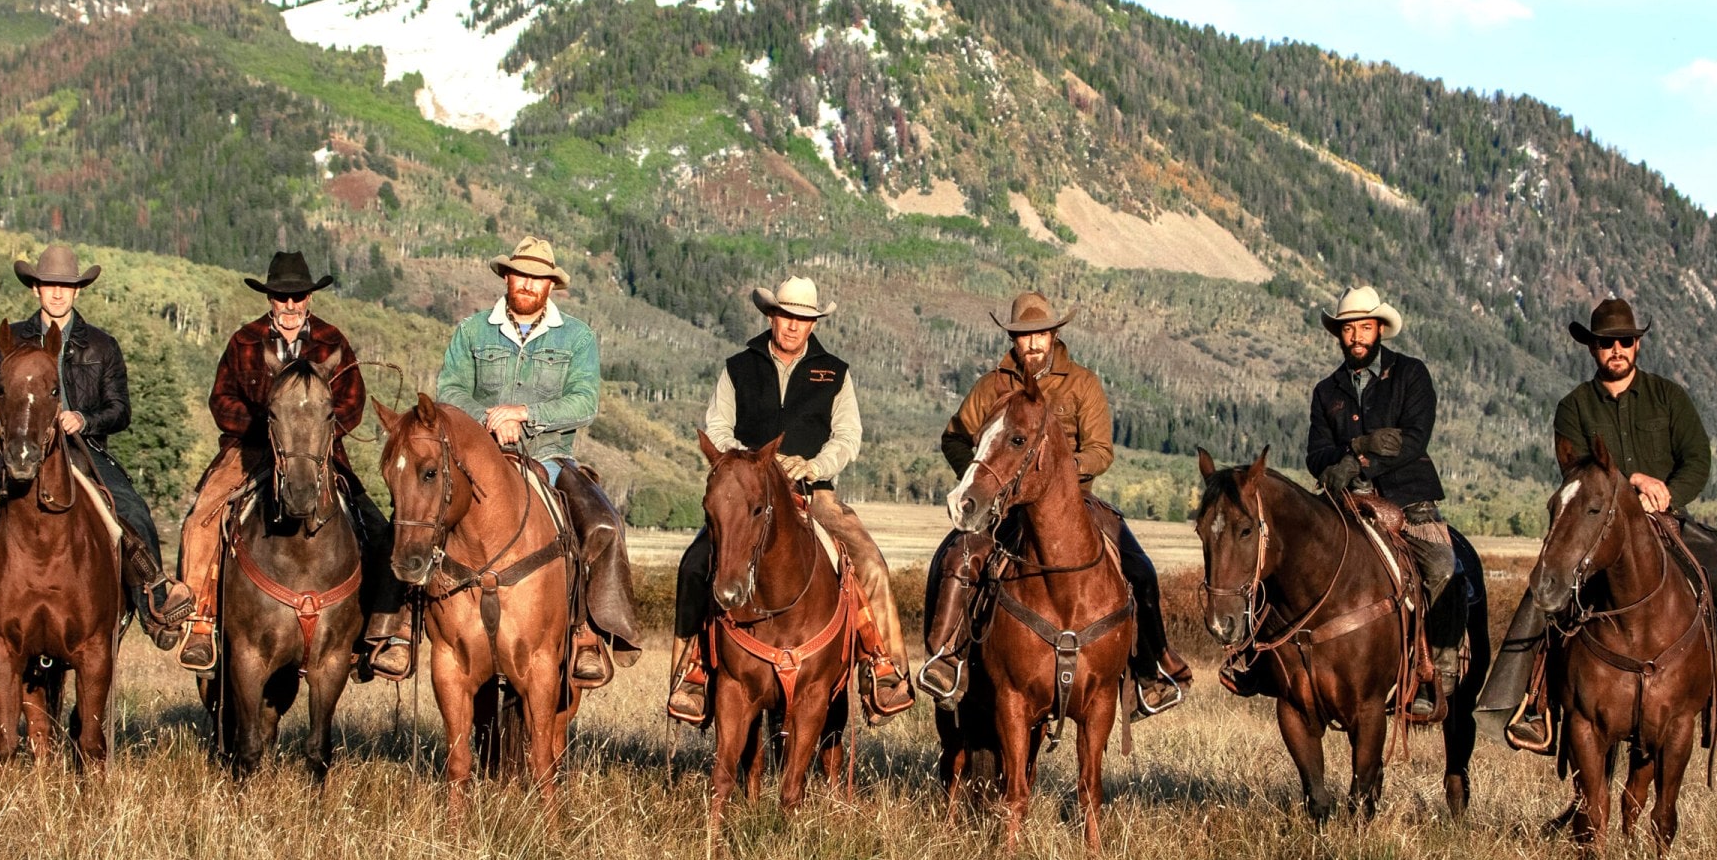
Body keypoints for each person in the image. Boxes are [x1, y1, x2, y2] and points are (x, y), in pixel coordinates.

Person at [1478, 297, 1717, 748]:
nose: (1615, 349)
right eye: (1605, 343)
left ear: (1636, 345)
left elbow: (1697, 459)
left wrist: (1667, 491)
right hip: (1599, 522)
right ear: (1592, 348)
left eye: (1624, 341)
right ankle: (1531, 704)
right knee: (1545, 587)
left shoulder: (1669, 397)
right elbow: (1576, 472)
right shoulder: (1573, 406)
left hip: (1667, 518)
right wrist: (1628, 486)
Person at [920, 290, 1192, 715]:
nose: (1033, 343)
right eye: (1024, 336)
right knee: (959, 556)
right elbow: (954, 437)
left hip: (1075, 501)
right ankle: (947, 658)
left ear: (1054, 333)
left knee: (1140, 568)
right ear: (1012, 338)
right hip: (1005, 505)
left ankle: (1152, 671)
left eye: (1041, 334)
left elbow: (1102, 450)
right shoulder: (993, 385)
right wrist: (981, 480)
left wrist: (1062, 473)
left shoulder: (1082, 383)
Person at [0, 244, 193, 670]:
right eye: (50, 284)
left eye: (66, 286)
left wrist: (83, 419)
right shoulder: (11, 341)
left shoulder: (102, 345)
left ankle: (154, 601)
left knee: (132, 510)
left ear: (78, 291)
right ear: (36, 288)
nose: (57, 293)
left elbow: (120, 409)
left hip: (82, 449)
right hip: (17, 448)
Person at [666, 276, 915, 724]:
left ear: (813, 322)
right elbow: (717, 426)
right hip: (746, 495)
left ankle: (883, 667)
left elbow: (848, 436)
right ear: (772, 315)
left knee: (869, 563)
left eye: (804, 319)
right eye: (786, 316)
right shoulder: (739, 366)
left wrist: (815, 466)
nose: (793, 326)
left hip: (812, 492)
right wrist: (753, 463)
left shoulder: (834, 372)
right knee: (693, 565)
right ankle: (692, 674)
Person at [175, 252, 410, 678]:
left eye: (297, 296)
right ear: (270, 298)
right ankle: (200, 622)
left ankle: (378, 634)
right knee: (201, 520)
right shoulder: (244, 341)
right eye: (281, 297)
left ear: (309, 298)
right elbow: (220, 400)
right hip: (248, 450)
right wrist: (270, 425)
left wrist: (310, 434)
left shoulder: (332, 342)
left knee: (378, 529)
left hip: (318, 454)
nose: (289, 305)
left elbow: (352, 403)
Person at [435, 235, 641, 686]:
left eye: (537, 278)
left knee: (603, 525)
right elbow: (448, 394)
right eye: (520, 274)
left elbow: (584, 402)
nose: (527, 284)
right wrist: (489, 418)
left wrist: (525, 415)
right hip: (475, 458)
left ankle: (588, 632)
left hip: (548, 458)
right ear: (507, 276)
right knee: (414, 511)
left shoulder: (577, 337)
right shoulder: (472, 331)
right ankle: (394, 629)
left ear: (551, 286)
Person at [1301, 285, 1460, 716]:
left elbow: (1412, 440)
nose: (1356, 336)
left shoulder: (1411, 375)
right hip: (1346, 504)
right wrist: (1361, 447)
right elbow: (1315, 455)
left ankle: (1437, 672)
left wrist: (1357, 461)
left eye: (1364, 327)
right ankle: (1270, 659)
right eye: (1349, 328)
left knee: (1443, 568)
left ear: (1379, 330)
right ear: (1339, 334)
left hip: (1410, 500)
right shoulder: (1325, 391)